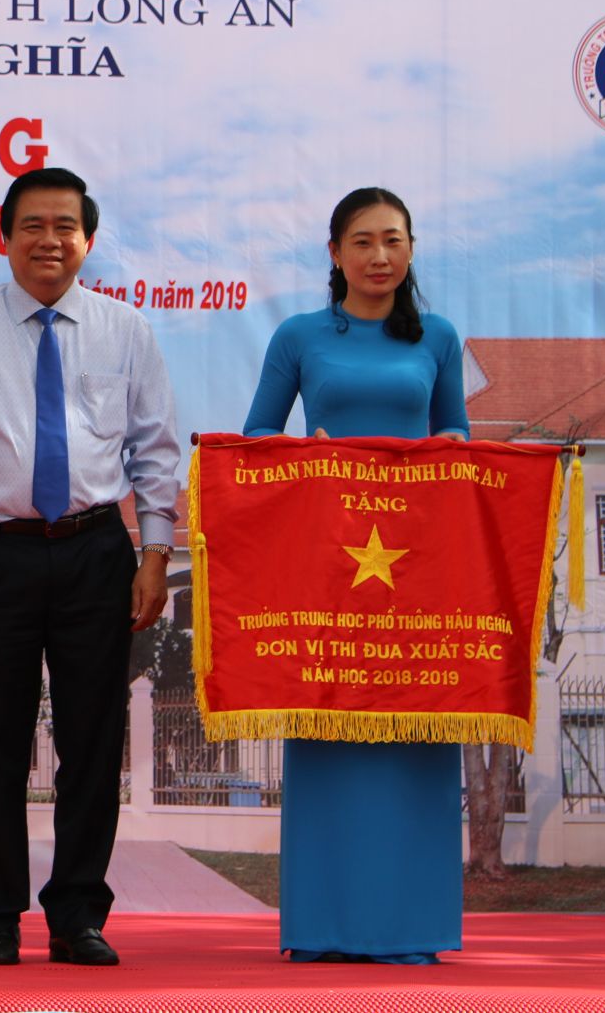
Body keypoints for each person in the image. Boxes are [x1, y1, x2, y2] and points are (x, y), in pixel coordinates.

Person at [0, 167, 180, 967]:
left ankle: (76, 915)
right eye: (32, 225)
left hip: (99, 551)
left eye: (65, 226)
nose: (49, 240)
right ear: (3, 236)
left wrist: (156, 553)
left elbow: (156, 448)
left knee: (92, 745)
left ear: (87, 240)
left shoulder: (125, 329)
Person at [242, 186, 469, 963]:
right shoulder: (299, 335)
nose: (380, 256)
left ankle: (414, 927)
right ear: (334, 253)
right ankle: (323, 926)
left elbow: (457, 444)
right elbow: (258, 439)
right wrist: (309, 456)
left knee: (415, 735)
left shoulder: (437, 337)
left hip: (416, 583)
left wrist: (445, 454)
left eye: (394, 241)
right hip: (330, 576)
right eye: (364, 241)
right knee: (332, 734)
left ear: (411, 250)